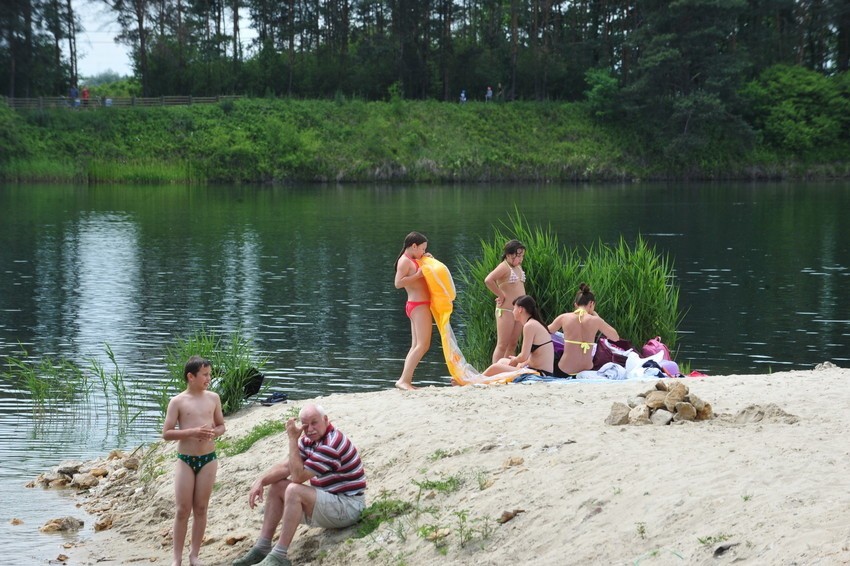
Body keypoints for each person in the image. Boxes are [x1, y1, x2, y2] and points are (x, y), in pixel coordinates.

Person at [232, 404, 366, 566]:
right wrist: (260, 481)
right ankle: (262, 548)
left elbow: (297, 477)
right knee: (278, 485)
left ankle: (279, 556)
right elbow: (287, 467)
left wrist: (292, 439)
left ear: (325, 420)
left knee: (294, 490)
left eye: (314, 423)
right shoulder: (310, 441)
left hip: (349, 508)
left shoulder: (332, 444)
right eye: (305, 424)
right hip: (330, 503)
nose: (309, 429)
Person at [162, 356, 226, 566]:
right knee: (182, 509)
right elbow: (167, 433)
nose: (209, 378)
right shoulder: (178, 401)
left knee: (201, 508)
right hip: (185, 459)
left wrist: (213, 433)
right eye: (205, 374)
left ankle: (194, 555)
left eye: (209, 374)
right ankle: (176, 558)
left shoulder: (213, 398)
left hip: (208, 458)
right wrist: (192, 432)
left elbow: (221, 425)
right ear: (191, 377)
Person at [548, 283, 619, 377]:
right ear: (591, 304)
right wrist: (598, 318)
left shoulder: (564, 317)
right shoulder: (595, 320)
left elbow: (545, 332)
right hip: (586, 371)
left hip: (564, 370)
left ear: (575, 305)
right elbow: (615, 337)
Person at [393, 231, 432, 390]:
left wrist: (425, 259)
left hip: (417, 305)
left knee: (417, 345)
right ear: (413, 246)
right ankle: (403, 380)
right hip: (418, 305)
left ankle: (405, 380)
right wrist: (418, 275)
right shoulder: (404, 261)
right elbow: (398, 283)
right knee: (423, 345)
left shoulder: (412, 259)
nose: (423, 252)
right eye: (422, 249)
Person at [483, 295, 554, 376]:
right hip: (533, 369)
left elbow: (524, 356)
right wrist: (519, 362)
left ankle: (475, 380)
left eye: (514, 308)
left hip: (540, 373)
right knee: (502, 361)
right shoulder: (532, 323)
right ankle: (478, 379)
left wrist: (515, 360)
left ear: (520, 309)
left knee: (495, 367)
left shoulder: (529, 326)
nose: (513, 311)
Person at [484, 239, 527, 363]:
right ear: (508, 255)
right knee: (502, 344)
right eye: (518, 256)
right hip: (506, 309)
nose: (520, 259)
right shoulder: (504, 267)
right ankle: (495, 370)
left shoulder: (517, 266)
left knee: (513, 344)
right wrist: (500, 295)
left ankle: (508, 368)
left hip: (519, 311)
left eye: (522, 256)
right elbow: (488, 280)